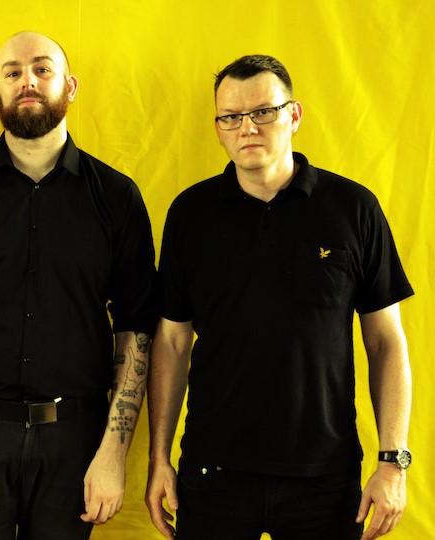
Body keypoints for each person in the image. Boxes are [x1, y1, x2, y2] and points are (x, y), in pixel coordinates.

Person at [145, 54, 413, 540]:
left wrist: (393, 461)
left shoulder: (353, 209)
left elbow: (386, 343)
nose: (247, 127)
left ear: (294, 115)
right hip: (212, 473)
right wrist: (158, 457)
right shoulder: (190, 214)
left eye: (263, 111)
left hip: (325, 477)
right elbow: (171, 342)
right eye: (231, 117)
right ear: (219, 128)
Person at [0, 31, 160, 539]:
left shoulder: (117, 197)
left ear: (70, 86)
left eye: (42, 69)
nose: (27, 81)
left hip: (76, 439)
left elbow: (136, 330)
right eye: (13, 72)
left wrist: (114, 452)